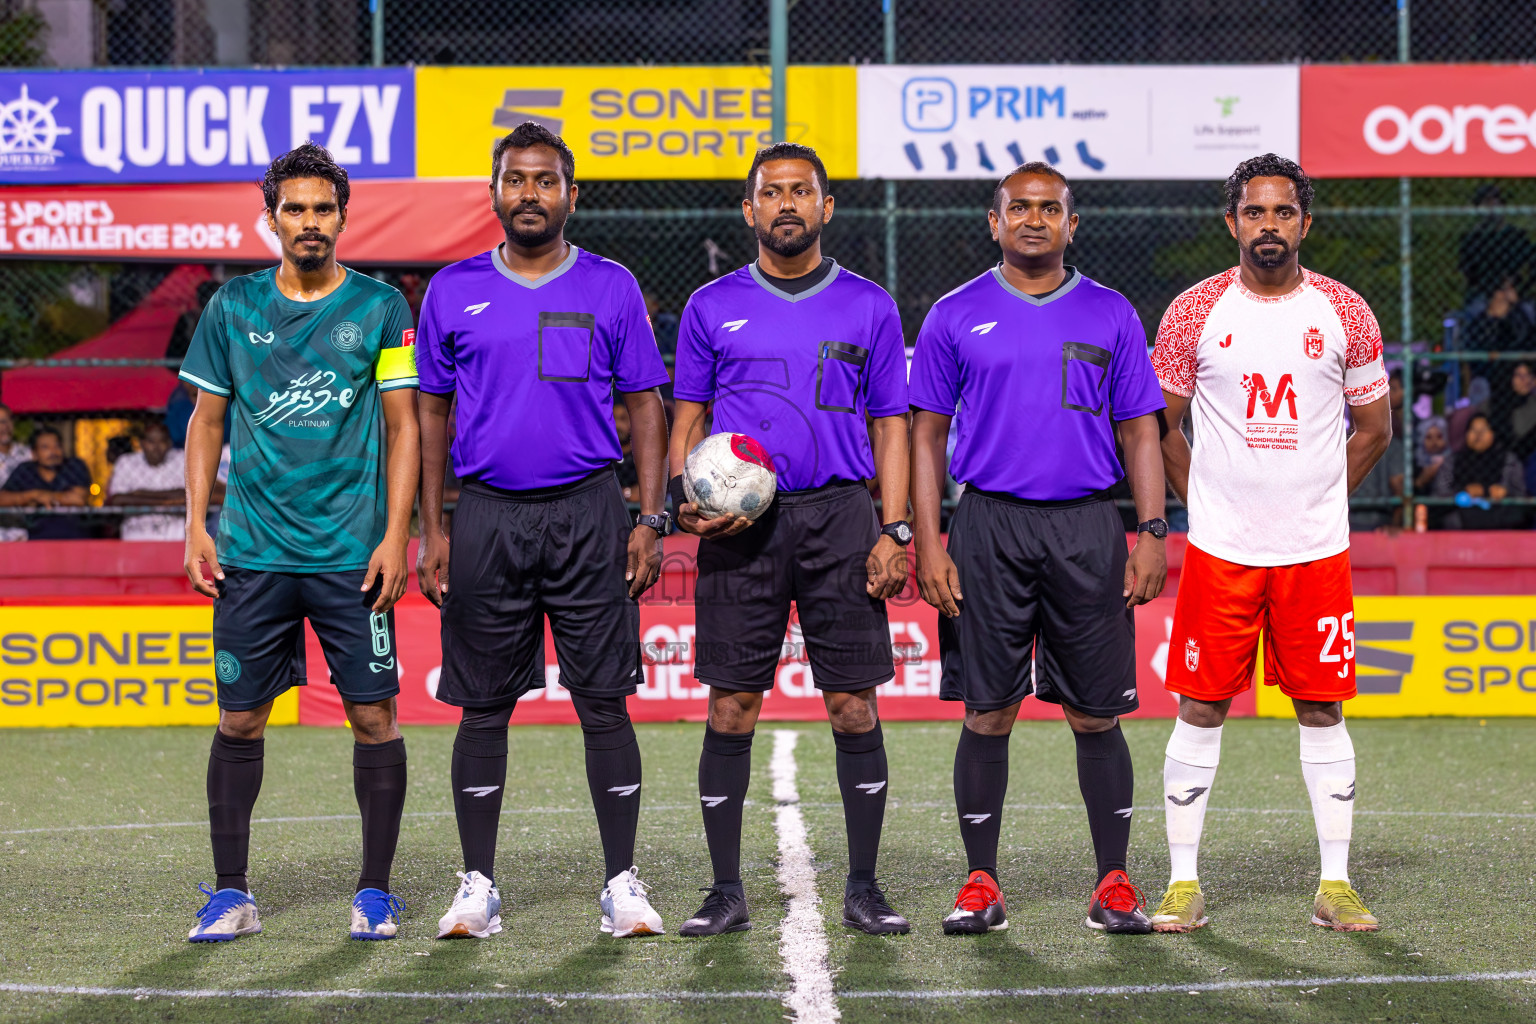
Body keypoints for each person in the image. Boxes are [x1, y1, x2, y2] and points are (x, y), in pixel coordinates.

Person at [414, 122, 672, 942]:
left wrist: (649, 515)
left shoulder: (612, 285)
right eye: (516, 180)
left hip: (591, 511)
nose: (530, 193)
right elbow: (429, 413)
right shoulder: (452, 290)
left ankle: (622, 885)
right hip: (486, 513)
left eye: (546, 180)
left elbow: (646, 407)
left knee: (604, 701)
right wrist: (435, 526)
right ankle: (477, 887)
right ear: (493, 192)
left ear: (570, 193)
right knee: (483, 708)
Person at [909, 162, 1168, 937]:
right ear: (994, 222)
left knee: (1096, 715)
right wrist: (928, 540)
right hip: (987, 526)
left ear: (1072, 224)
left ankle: (1114, 882)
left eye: (1049, 209)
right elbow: (924, 435)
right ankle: (980, 882)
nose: (1032, 219)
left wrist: (1153, 531)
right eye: (1017, 208)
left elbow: (1141, 431)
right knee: (989, 710)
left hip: (1088, 526)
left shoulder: (1112, 313)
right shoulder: (955, 314)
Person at [178, 143, 421, 943]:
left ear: (343, 217)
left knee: (373, 718)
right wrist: (195, 525)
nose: (310, 222)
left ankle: (376, 893)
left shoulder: (382, 307)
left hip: (353, 556)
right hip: (252, 553)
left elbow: (402, 426)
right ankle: (229, 893)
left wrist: (396, 535)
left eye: (323, 208)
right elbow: (206, 422)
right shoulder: (232, 307)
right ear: (272, 218)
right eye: (295, 209)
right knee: (240, 721)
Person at [669, 143, 912, 937]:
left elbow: (891, 425)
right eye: (770, 193)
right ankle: (725, 889)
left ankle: (866, 887)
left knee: (851, 704)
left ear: (826, 206)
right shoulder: (711, 304)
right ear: (748, 210)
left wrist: (895, 526)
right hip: (743, 530)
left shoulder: (870, 305)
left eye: (800, 191)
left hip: (842, 518)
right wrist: (685, 500)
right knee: (733, 705)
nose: (785, 204)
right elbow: (688, 421)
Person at [1150, 154, 1392, 934]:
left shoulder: (1346, 311)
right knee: (1202, 702)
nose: (1268, 226)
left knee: (1322, 706)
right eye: (1254, 213)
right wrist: (1207, 503)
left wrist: (1319, 498)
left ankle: (1336, 883)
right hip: (1221, 550)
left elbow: (1376, 429)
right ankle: (1184, 882)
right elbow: (1164, 427)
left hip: (1314, 550)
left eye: (1283, 213)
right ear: (1233, 223)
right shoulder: (1193, 311)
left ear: (1304, 224)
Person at [1432, 412, 1529, 529]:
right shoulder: (1452, 461)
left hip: (1499, 519)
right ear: (1466, 434)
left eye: (1483, 430)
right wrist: (1462, 492)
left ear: (1493, 433)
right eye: (1473, 430)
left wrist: (1506, 494)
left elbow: (1522, 498)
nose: (1478, 435)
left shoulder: (1508, 460)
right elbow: (1439, 495)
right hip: (1462, 520)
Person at [0, 426, 92, 539]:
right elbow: (3, 498)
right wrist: (33, 495)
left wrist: (43, 498)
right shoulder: (26, 470)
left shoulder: (74, 465)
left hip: (74, 534)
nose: (53, 452)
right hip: (36, 535)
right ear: (34, 453)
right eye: (45, 447)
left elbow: (78, 499)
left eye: (57, 446)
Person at [106, 421, 187, 540]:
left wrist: (138, 494)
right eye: (151, 442)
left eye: (162, 441)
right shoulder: (126, 462)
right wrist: (168, 501)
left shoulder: (182, 459)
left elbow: (187, 497)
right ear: (142, 443)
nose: (156, 448)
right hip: (135, 534)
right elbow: (118, 499)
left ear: (169, 443)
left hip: (175, 535)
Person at [1413, 415, 1450, 495]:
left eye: (1439, 436)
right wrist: (1423, 478)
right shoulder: (1415, 462)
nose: (1434, 442)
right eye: (1428, 437)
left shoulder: (1453, 459)